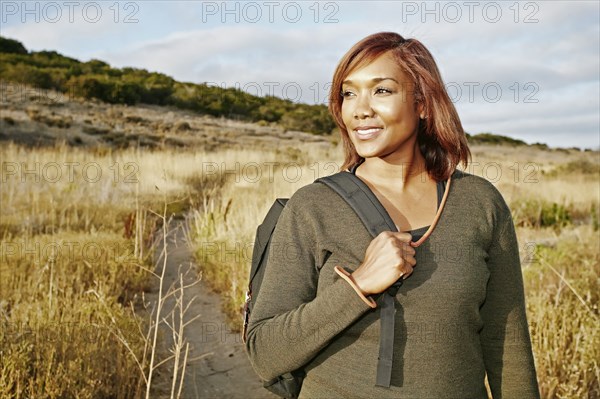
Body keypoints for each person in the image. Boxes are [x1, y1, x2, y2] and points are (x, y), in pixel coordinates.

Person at [245, 32, 540, 398]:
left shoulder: (480, 203)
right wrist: (358, 286)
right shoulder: (312, 208)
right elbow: (265, 352)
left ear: (422, 103)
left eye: (381, 91)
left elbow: (506, 340)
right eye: (349, 93)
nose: (360, 109)